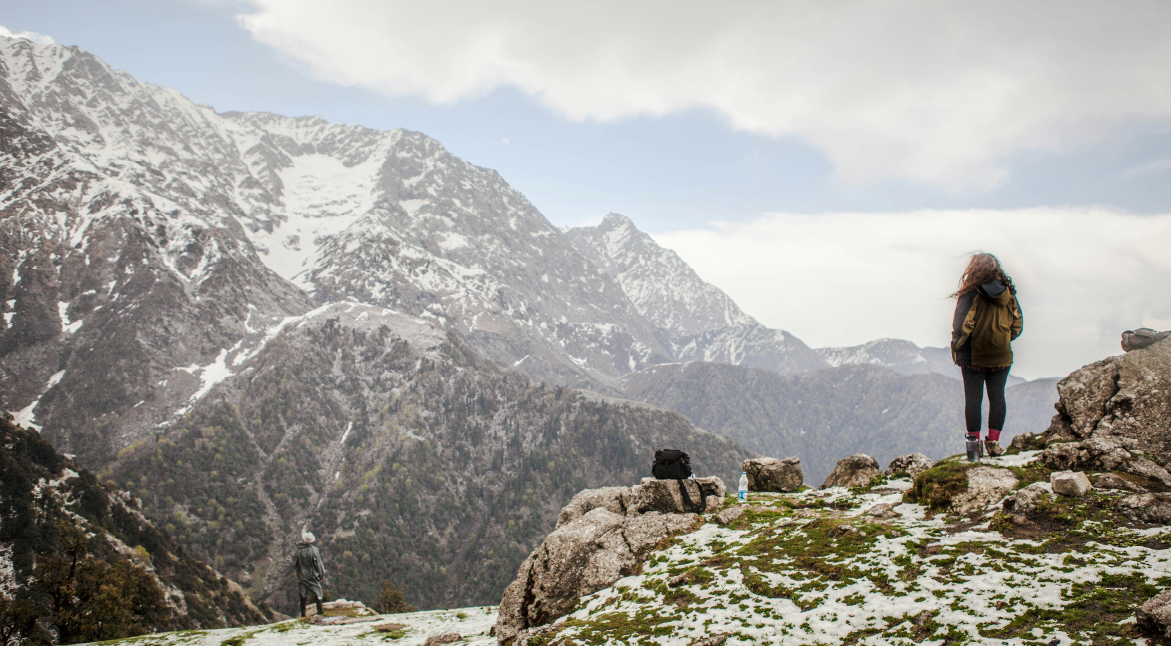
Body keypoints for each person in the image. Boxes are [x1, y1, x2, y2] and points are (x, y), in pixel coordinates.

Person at [950, 253, 1023, 458]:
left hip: (974, 356)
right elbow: (1017, 324)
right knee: (997, 396)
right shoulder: (1009, 293)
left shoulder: (970, 293)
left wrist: (958, 348)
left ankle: (973, 449)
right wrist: (1001, 341)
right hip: (1001, 356)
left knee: (973, 399)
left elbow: (962, 325)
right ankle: (994, 443)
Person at [294, 531, 326, 618]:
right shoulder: (314, 550)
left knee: (303, 594)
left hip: (301, 575)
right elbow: (318, 564)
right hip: (312, 575)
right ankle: (320, 611)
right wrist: (321, 575)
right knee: (318, 592)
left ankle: (303, 614)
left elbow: (295, 563)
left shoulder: (298, 551)